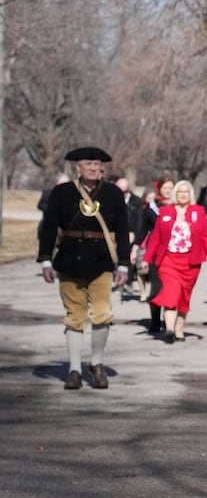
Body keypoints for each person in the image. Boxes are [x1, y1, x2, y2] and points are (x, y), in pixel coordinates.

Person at [36, 147, 132, 390]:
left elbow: (122, 229)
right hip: (69, 260)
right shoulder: (62, 192)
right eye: (87, 163)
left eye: (96, 163)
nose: (93, 167)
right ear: (77, 167)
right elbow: (49, 227)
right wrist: (46, 259)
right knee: (74, 316)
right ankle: (75, 369)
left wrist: (123, 263)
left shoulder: (112, 193)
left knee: (102, 313)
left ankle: (96, 363)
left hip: (101, 261)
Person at [140, 180, 207, 343]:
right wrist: (147, 258)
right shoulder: (165, 211)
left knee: (183, 297)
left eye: (186, 192)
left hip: (191, 262)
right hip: (168, 260)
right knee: (171, 292)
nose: (183, 195)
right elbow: (156, 237)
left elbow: (206, 236)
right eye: (180, 192)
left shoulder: (198, 211)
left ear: (191, 194)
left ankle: (179, 330)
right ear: (175, 194)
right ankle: (169, 330)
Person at [136, 176, 175, 334]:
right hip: (155, 252)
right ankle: (155, 321)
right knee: (157, 287)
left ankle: (170, 322)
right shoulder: (151, 207)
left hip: (175, 252)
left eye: (171, 187)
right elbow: (142, 230)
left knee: (172, 288)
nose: (168, 191)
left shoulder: (179, 206)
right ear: (159, 189)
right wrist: (135, 248)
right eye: (165, 187)